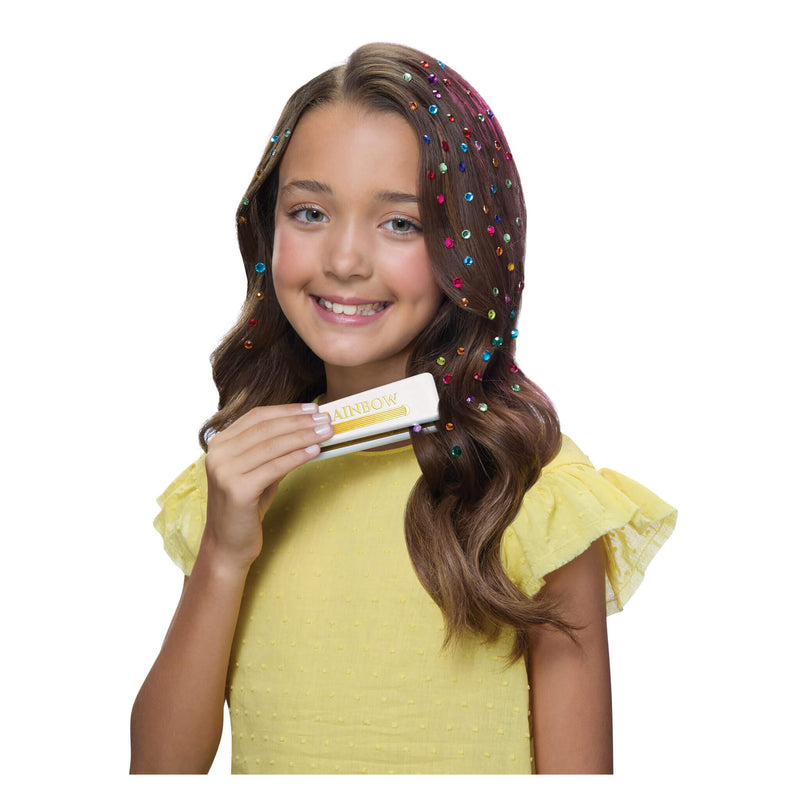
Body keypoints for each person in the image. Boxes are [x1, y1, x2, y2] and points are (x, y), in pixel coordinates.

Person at [129, 42, 676, 775]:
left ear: (471, 248)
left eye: (401, 223)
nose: (346, 260)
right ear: (268, 230)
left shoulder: (535, 493)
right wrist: (224, 556)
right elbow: (159, 774)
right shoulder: (235, 486)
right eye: (311, 211)